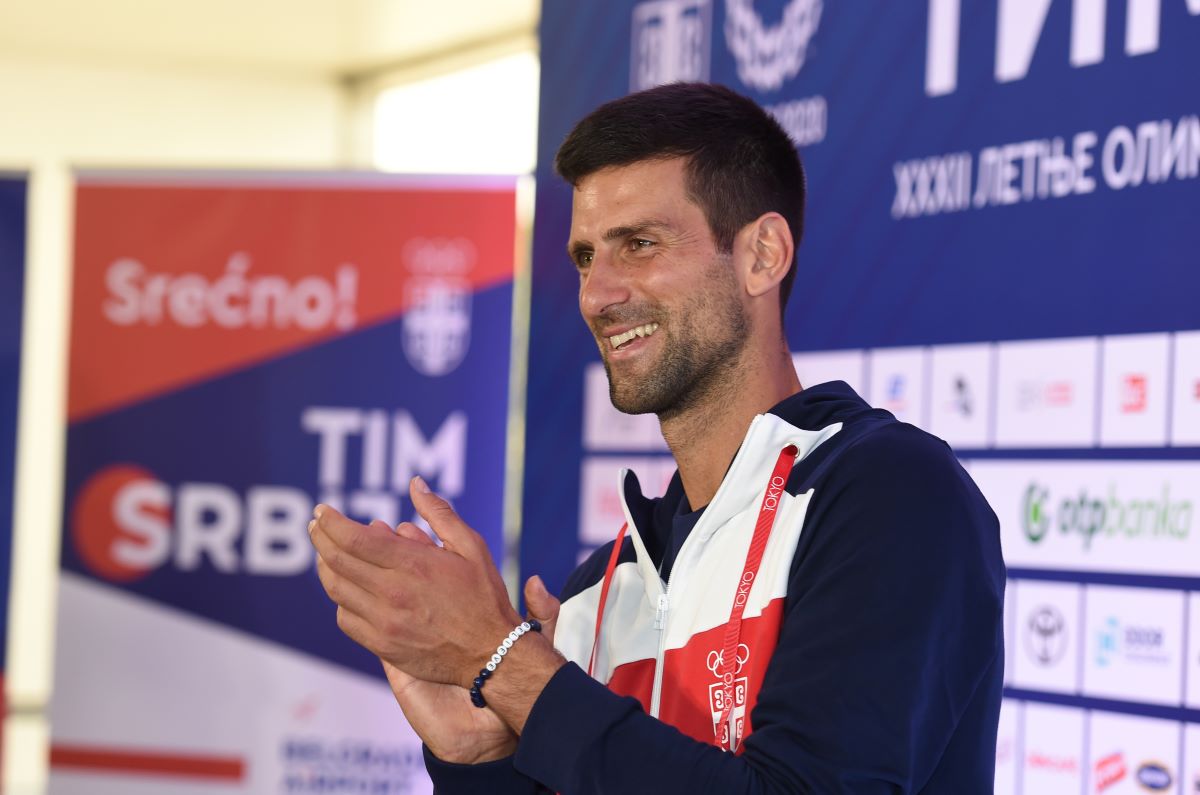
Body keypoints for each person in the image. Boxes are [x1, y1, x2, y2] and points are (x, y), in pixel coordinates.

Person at [309, 82, 1005, 793]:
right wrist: (480, 758)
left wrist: (507, 663)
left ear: (762, 254)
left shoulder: (888, 493)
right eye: (585, 256)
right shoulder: (596, 592)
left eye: (639, 244)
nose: (596, 294)